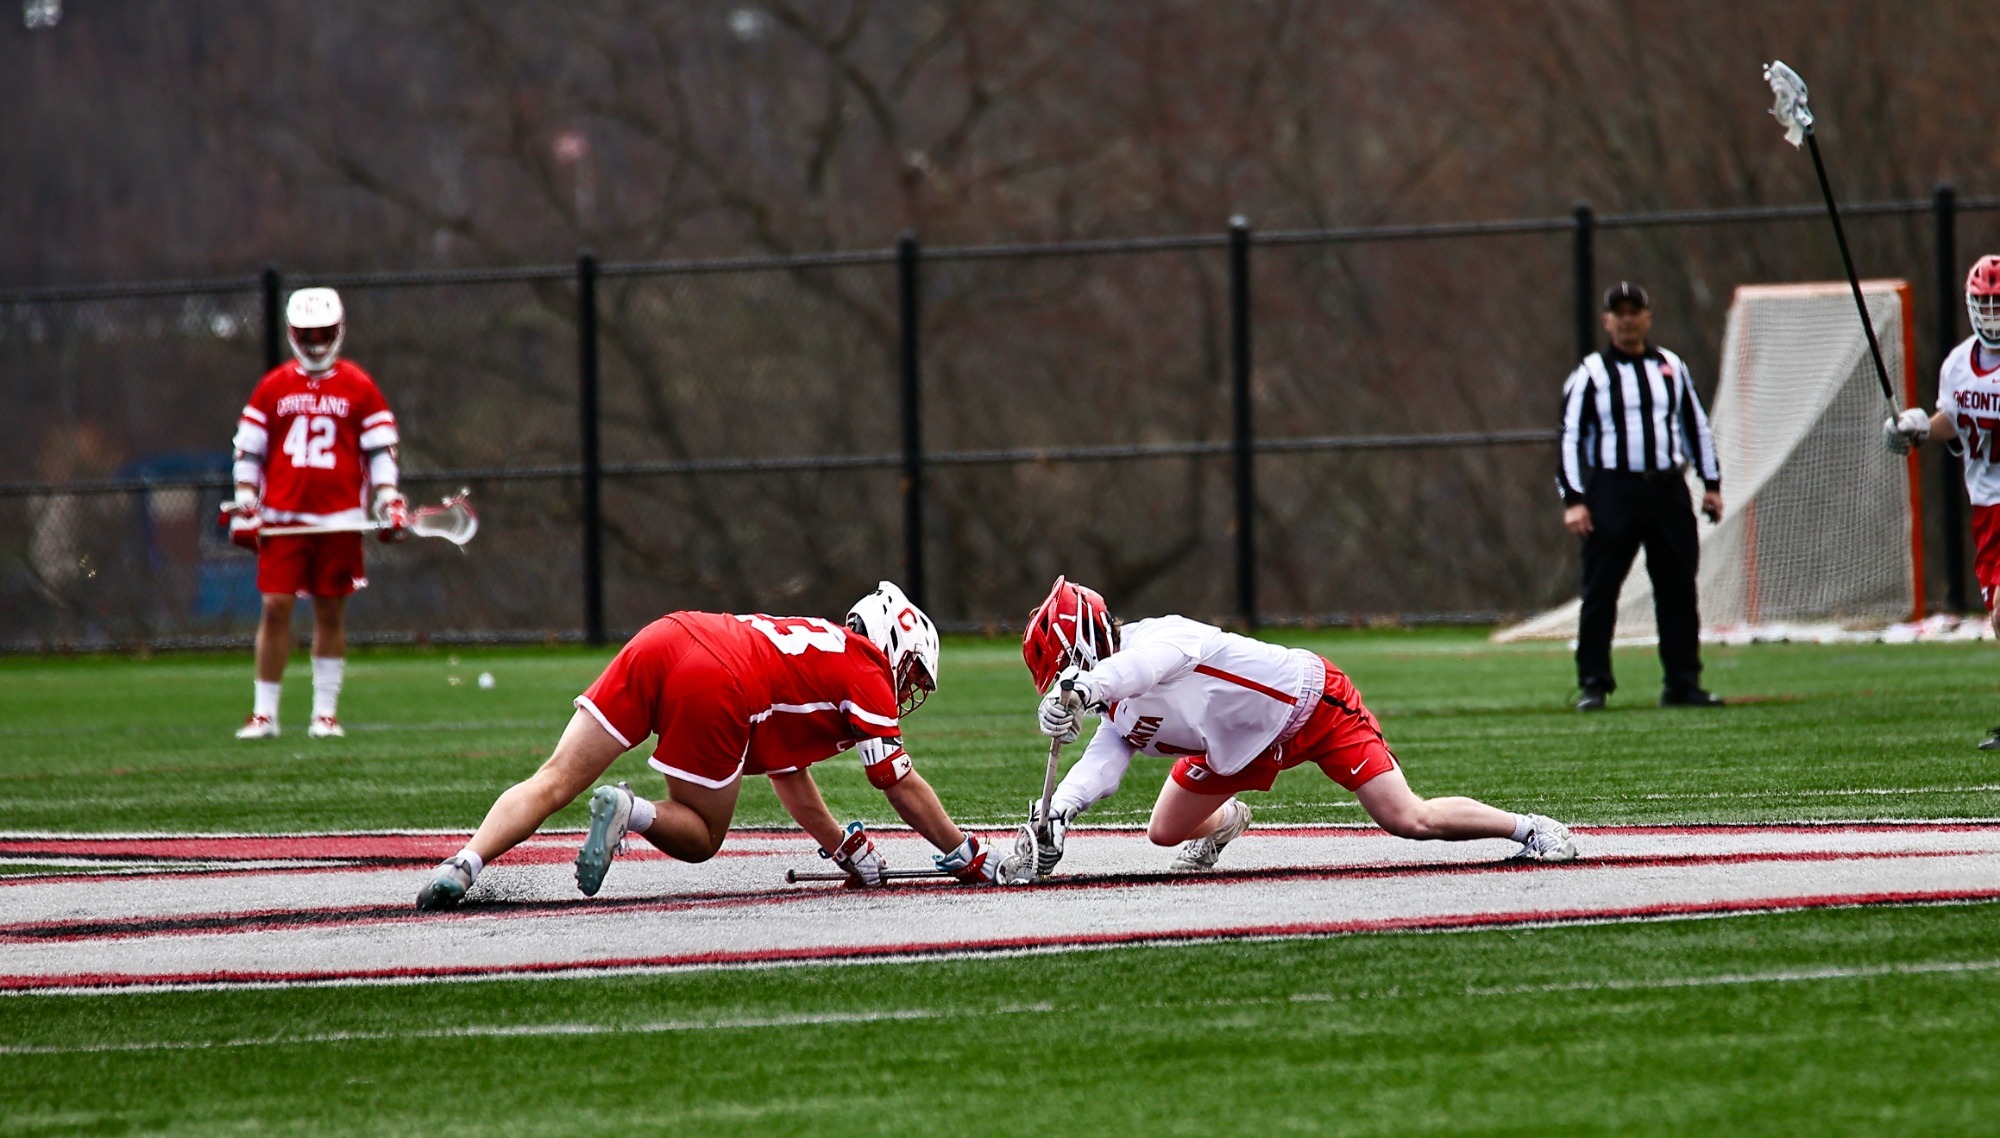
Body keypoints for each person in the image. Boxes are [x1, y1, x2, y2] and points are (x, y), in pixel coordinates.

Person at [417, 582, 1028, 910]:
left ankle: (463, 864)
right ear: (893, 640)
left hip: (672, 633)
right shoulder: (866, 669)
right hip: (722, 677)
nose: (906, 687)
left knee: (552, 779)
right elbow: (898, 782)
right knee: (703, 838)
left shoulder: (818, 651)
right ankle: (631, 811)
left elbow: (792, 779)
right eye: (911, 671)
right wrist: (966, 852)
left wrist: (841, 845)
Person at [1010, 577, 1577, 878]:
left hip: (1312, 707)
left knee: (1408, 818)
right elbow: (1104, 760)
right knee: (1164, 832)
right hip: (1238, 746)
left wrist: (1086, 687)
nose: (1064, 684)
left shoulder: (1162, 637)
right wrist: (1060, 811)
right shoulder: (1114, 702)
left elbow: (1139, 671)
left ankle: (1529, 829)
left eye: (1065, 671)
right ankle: (1229, 821)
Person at [224, 288, 409, 739]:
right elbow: (248, 452)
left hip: (339, 518)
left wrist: (388, 497)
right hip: (284, 517)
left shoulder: (358, 385)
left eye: (323, 333)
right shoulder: (274, 386)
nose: (315, 342)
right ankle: (264, 713)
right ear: (292, 334)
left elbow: (380, 451)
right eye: (307, 334)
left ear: (339, 330)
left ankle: (324, 713)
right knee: (275, 607)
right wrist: (247, 499)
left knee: (330, 612)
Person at [1558, 281, 1725, 712]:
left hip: (1667, 489)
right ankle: (1594, 682)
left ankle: (1682, 682)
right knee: (1601, 589)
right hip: (1613, 489)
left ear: (1648, 318)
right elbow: (1569, 438)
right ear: (1607, 321)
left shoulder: (1671, 366)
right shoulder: (1591, 374)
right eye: (1620, 312)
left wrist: (1711, 484)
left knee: (1677, 587)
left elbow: (1696, 424)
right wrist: (1573, 499)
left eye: (1636, 312)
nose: (1628, 320)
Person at [1883, 254, 2000, 748]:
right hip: (1986, 507)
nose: (1992, 313)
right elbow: (1951, 420)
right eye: (1985, 303)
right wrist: (1916, 430)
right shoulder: (1957, 364)